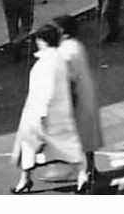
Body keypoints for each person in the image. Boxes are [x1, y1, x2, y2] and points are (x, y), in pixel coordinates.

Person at [11, 22, 82, 194]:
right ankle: (83, 177)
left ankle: (25, 180)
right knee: (68, 144)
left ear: (43, 41)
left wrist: (42, 115)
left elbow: (46, 91)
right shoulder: (59, 59)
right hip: (60, 110)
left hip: (43, 112)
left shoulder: (46, 63)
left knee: (30, 144)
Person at [54, 16, 102, 193]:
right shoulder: (77, 45)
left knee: (75, 137)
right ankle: (91, 167)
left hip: (76, 98)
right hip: (86, 93)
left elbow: (69, 79)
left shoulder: (64, 51)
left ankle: (83, 173)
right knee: (87, 135)